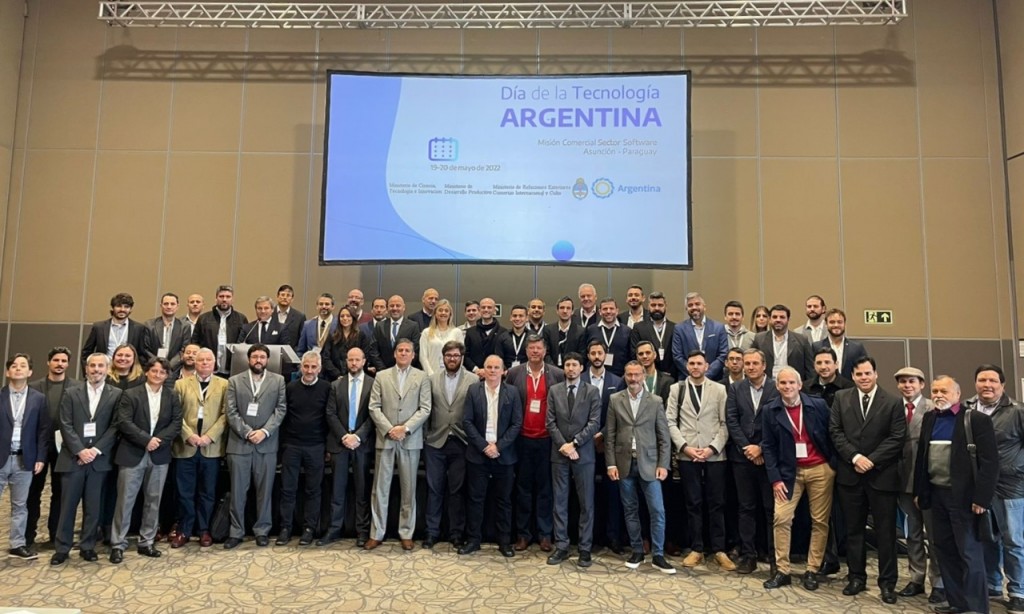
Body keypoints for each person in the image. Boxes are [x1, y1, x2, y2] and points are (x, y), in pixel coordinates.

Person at [916, 375, 999, 614]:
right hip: (936, 495)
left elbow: (990, 463)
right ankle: (957, 603)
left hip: (965, 498)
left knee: (969, 553)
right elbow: (922, 457)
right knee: (944, 550)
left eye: (944, 391)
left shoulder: (976, 420)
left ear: (957, 394)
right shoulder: (930, 418)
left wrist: (981, 498)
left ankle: (976, 608)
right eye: (935, 391)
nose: (938, 395)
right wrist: (921, 492)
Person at [829, 356, 906, 604]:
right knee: (853, 531)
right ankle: (856, 578)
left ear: (876, 374)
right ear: (852, 376)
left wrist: (871, 460)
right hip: (850, 476)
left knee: (886, 533)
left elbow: (897, 437)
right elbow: (835, 432)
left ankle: (887, 583)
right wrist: (855, 457)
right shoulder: (841, 398)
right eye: (859, 374)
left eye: (868, 373)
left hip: (881, 476)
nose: (864, 378)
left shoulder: (892, 402)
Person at [761, 367, 836, 591]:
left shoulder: (818, 405)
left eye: (792, 383)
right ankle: (782, 570)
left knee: (820, 521)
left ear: (800, 385)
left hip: (820, 469)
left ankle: (812, 569)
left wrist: (832, 465)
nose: (788, 387)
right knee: (781, 518)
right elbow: (768, 447)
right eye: (783, 383)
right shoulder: (770, 410)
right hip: (788, 473)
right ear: (777, 386)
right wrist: (775, 479)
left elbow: (832, 434)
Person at [50, 354, 122, 566]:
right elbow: (65, 423)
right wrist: (80, 451)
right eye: (92, 365)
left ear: (107, 369)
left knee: (93, 506)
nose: (96, 369)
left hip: (99, 460)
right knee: (67, 506)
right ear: (86, 368)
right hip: (73, 458)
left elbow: (115, 426)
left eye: (100, 366)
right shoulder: (71, 392)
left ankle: (87, 546)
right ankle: (62, 548)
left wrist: (95, 450)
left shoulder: (116, 394)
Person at [109, 357, 183, 564]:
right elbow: (124, 422)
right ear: (147, 372)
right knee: (125, 501)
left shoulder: (172, 396)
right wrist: (146, 440)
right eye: (154, 371)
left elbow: (176, 423)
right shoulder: (130, 394)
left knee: (153, 500)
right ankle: (118, 544)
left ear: (167, 375)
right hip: (132, 453)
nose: (158, 375)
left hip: (159, 455)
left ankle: (147, 541)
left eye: (162, 372)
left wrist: (157, 441)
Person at [667, 350, 734, 571]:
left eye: (699, 363)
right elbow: (670, 422)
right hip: (687, 454)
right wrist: (685, 447)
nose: (695, 367)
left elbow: (725, 423)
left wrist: (712, 448)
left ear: (707, 366)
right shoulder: (676, 389)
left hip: (714, 454)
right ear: (687, 366)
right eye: (692, 363)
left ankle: (719, 550)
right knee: (693, 502)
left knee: (717, 503)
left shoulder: (719, 389)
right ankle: (696, 549)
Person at [605, 360, 674, 573]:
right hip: (623, 463)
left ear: (644, 376)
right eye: (629, 375)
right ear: (624, 376)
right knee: (630, 509)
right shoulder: (615, 399)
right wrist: (611, 464)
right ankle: (637, 550)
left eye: (637, 374)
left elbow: (664, 436)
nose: (633, 378)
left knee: (657, 510)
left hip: (650, 464)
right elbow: (610, 435)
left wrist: (663, 464)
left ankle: (658, 554)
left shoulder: (655, 401)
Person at [365, 339, 431, 551]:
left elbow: (425, 408)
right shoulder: (382, 376)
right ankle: (376, 533)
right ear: (394, 354)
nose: (403, 353)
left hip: (409, 439)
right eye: (400, 350)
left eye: (407, 351)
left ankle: (406, 532)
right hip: (386, 438)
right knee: (380, 489)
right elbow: (374, 407)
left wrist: (405, 429)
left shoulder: (422, 377)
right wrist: (389, 429)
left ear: (413, 355)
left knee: (408, 488)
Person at [969, 364, 1024, 610]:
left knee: (1014, 541)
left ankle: (1018, 591)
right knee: (987, 538)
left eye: (992, 380)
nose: (987, 385)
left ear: (1002, 385)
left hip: (1011, 487)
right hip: (979, 487)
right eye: (982, 380)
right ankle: (992, 585)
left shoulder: (1017, 411)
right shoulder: (968, 409)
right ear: (975, 383)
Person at [223, 344, 287, 549]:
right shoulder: (234, 381)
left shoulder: (278, 381)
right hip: (239, 444)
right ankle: (236, 532)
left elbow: (280, 409)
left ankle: (262, 531)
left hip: (266, 445)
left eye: (262, 357)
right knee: (237, 492)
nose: (258, 360)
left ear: (267, 360)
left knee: (264, 491)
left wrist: (264, 432)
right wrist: (248, 432)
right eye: (255, 356)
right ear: (248, 359)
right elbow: (231, 411)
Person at [507, 335, 564, 553]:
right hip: (522, 439)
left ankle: (545, 535)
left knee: (545, 489)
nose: (535, 351)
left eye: (538, 348)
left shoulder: (557, 374)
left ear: (545, 351)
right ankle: (523, 534)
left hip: (547, 439)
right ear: (526, 351)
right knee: (523, 488)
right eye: (531, 348)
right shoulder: (515, 373)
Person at [460, 355, 522, 557]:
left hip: (504, 455)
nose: (493, 370)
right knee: (475, 499)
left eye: (496, 367)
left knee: (504, 500)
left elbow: (516, 423)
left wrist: (498, 446)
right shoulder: (473, 390)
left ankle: (504, 542)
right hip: (478, 454)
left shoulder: (513, 392)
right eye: (489, 367)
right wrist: (484, 446)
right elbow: (467, 421)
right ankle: (473, 540)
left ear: (504, 371)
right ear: (483, 370)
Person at [726, 348, 779, 575]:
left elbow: (780, 421)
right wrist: (748, 448)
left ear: (764, 365)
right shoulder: (736, 388)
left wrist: (762, 448)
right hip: (742, 457)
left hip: (769, 458)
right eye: (747, 363)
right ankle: (749, 556)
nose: (750, 367)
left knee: (771, 509)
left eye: (755, 363)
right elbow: (731, 419)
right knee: (745, 507)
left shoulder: (776, 387)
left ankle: (775, 557)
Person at [546, 351, 601, 568]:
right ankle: (561, 545)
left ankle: (584, 549)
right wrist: (564, 446)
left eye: (574, 365)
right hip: (559, 454)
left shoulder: (592, 391)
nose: (570, 368)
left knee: (586, 503)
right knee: (559, 501)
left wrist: (575, 444)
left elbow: (594, 423)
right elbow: (550, 422)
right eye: (567, 365)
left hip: (584, 454)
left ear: (581, 368)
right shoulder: (554, 390)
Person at [893, 366, 944, 601]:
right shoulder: (893, 408)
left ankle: (938, 582)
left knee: (933, 535)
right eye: (902, 381)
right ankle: (916, 579)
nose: (907, 385)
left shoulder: (934, 408)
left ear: (922, 384)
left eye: (912, 381)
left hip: (928, 482)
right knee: (912, 534)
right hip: (902, 481)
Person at [170, 348, 227, 549]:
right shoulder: (181, 384)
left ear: (214, 363)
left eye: (208, 360)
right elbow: (175, 414)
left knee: (207, 492)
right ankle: (184, 530)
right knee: (184, 492)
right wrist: (189, 435)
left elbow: (225, 414)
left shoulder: (224, 384)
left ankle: (204, 530)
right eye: (201, 360)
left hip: (211, 448)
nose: (204, 363)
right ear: (195, 362)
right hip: (186, 446)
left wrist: (209, 437)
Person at [319, 347, 375, 547]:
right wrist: (344, 436)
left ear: (364, 361)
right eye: (350, 360)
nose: (353, 363)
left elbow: (373, 414)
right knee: (337, 489)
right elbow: (330, 413)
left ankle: (362, 531)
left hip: (362, 444)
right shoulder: (336, 385)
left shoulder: (373, 384)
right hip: (340, 443)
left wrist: (358, 436)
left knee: (362, 490)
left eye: (357, 360)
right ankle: (334, 529)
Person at [422, 340, 474, 549]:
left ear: (462, 357)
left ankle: (456, 533)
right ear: (443, 358)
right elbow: (425, 410)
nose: (452, 359)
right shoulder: (431, 379)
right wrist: (426, 436)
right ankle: (431, 532)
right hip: (435, 441)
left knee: (457, 490)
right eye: (449, 355)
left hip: (461, 441)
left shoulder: (472, 380)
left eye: (456, 355)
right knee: (434, 489)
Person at [276, 351, 330, 546]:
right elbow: (283, 418)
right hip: (292, 445)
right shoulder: (290, 388)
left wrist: (327, 448)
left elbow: (328, 418)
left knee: (313, 490)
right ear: (300, 367)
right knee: (288, 489)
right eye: (306, 366)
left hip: (316, 446)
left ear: (319, 369)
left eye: (313, 367)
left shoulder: (326, 388)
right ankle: (285, 528)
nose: (309, 370)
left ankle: (309, 529)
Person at [26, 346, 76, 550]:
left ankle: (56, 535)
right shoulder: (33, 387)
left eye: (63, 361)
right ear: (48, 362)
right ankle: (28, 536)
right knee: (33, 492)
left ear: (68, 364)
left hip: (64, 446)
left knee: (60, 492)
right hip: (38, 445)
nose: (59, 364)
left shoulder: (76, 387)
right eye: (56, 360)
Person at [0, 354, 49, 560]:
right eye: (14, 366)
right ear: (7, 372)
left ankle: (17, 544)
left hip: (25, 459)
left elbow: (43, 431)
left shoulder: (39, 398)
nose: (18, 368)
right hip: (1, 457)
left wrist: (40, 457)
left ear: (30, 372)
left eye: (23, 366)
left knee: (20, 505)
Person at [81, 292, 157, 367]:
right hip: (104, 371)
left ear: (130, 309)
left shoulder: (138, 328)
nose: (122, 309)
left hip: (128, 371)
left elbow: (142, 355)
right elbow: (86, 352)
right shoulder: (99, 327)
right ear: (112, 308)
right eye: (118, 306)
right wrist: (87, 371)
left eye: (126, 307)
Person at [191, 285, 248, 377]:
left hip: (232, 370)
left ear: (232, 299)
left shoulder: (241, 319)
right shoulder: (204, 319)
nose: (224, 299)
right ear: (216, 298)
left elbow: (243, 345)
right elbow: (195, 342)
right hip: (209, 369)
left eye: (228, 297)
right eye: (221, 296)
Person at [671, 292, 728, 382]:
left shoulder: (719, 328)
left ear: (704, 306)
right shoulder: (679, 329)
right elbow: (677, 356)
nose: (694, 307)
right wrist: (695, 373)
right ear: (686, 309)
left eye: (697, 304)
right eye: (690, 305)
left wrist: (707, 374)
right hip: (687, 379)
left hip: (714, 380)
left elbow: (723, 354)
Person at [751, 304, 813, 381]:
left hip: (792, 384)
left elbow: (810, 369)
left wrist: (806, 386)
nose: (778, 320)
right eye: (774, 317)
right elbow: (752, 363)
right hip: (767, 384)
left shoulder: (802, 340)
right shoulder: (759, 339)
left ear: (788, 319)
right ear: (769, 319)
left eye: (782, 317)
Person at [322, 305, 378, 380]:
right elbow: (325, 358)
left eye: (348, 316)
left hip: (356, 375)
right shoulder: (332, 335)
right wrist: (337, 374)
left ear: (353, 318)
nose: (345, 318)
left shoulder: (361, 335)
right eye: (342, 316)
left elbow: (365, 356)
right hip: (334, 377)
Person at [629, 291, 676, 378]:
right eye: (653, 305)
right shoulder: (638, 328)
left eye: (660, 305)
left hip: (671, 376)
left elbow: (677, 354)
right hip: (647, 376)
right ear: (648, 306)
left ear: (665, 306)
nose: (657, 308)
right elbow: (634, 354)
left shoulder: (675, 328)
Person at [811, 308, 867, 379]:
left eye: (839, 322)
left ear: (844, 324)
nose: (836, 325)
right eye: (832, 322)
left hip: (850, 385)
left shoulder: (856, 347)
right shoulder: (817, 346)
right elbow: (812, 371)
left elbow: (865, 369)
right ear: (826, 324)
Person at [370, 295, 422, 371]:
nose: (394, 308)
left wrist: (403, 367)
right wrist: (383, 370)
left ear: (404, 307)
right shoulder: (379, 326)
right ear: (387, 308)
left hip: (406, 371)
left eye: (398, 306)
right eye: (392, 306)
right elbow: (374, 350)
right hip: (383, 372)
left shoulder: (413, 326)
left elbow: (416, 350)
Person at [418, 299, 465, 378]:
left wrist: (455, 373)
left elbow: (461, 356)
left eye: (446, 311)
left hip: (452, 376)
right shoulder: (426, 332)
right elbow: (423, 357)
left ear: (450, 314)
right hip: (431, 375)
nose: (443, 313)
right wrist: (431, 375)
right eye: (440, 310)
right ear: (435, 313)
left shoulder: (457, 332)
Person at [463, 298, 510, 375]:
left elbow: (507, 356)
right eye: (483, 307)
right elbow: (465, 355)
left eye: (489, 307)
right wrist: (476, 370)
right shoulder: (470, 332)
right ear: (479, 310)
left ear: (494, 311)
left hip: (496, 375)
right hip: (475, 375)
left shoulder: (504, 332)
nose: (486, 310)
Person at [586, 298, 629, 377]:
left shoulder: (627, 331)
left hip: (620, 376)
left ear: (617, 311)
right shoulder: (591, 330)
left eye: (611, 308)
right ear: (600, 312)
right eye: (605, 309)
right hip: (596, 375)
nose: (608, 311)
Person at [146, 292, 189, 372]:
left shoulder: (184, 327)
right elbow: (146, 349)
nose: (169, 307)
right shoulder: (149, 325)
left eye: (172, 304)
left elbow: (184, 349)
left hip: (175, 370)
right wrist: (158, 365)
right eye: (166, 304)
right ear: (161, 305)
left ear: (177, 306)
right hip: (153, 368)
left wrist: (169, 366)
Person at [552, 296, 587, 368]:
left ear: (572, 311)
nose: (565, 311)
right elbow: (546, 353)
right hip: (552, 371)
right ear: (557, 311)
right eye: (562, 308)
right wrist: (554, 370)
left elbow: (582, 355)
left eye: (568, 308)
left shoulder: (581, 331)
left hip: (572, 370)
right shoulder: (548, 330)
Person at [274, 284, 306, 349]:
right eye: (282, 295)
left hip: (292, 352)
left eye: (288, 295)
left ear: (292, 299)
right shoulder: (269, 314)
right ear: (277, 297)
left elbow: (302, 339)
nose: (285, 298)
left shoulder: (299, 317)